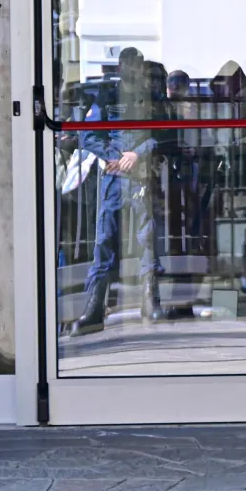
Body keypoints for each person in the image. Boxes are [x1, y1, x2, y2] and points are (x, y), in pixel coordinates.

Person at [68, 48, 169, 336]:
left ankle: (150, 302)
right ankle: (94, 307)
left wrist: (137, 155)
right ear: (120, 66)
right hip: (113, 176)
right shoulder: (106, 97)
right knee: (104, 241)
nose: (132, 69)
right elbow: (88, 136)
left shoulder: (151, 99)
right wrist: (116, 155)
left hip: (140, 176)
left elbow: (162, 133)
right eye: (127, 65)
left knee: (146, 237)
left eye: (136, 65)